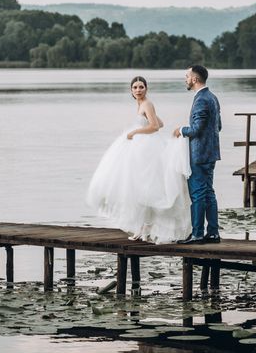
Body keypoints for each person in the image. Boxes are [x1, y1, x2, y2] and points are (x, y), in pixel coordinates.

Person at [86, 76, 192, 244]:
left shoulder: (147, 104)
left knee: (146, 188)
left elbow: (155, 127)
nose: (138, 90)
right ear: (131, 90)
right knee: (140, 188)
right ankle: (143, 229)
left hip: (148, 149)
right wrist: (142, 126)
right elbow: (160, 123)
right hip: (145, 147)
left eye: (141, 87)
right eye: (135, 87)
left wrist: (134, 133)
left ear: (146, 89)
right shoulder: (142, 105)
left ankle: (145, 229)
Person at [174, 65, 222, 244]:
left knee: (198, 194)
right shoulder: (213, 97)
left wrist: (181, 130)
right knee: (209, 192)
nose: (185, 79)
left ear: (194, 79)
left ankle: (197, 234)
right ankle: (213, 232)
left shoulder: (201, 99)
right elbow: (218, 126)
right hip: (211, 153)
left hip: (199, 154)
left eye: (187, 76)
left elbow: (196, 129)